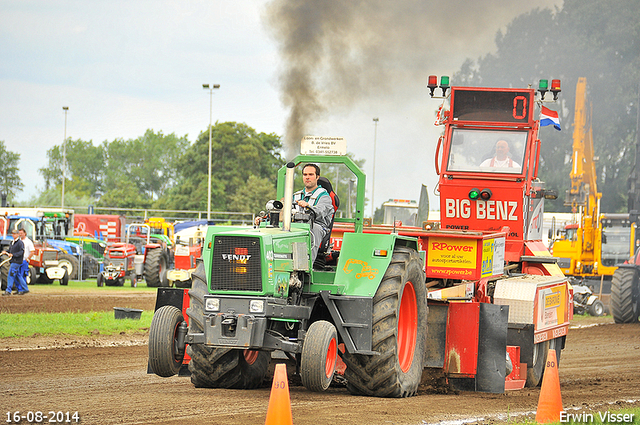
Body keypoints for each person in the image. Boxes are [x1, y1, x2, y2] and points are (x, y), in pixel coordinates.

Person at [255, 163, 335, 262]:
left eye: (311, 174)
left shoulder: (324, 196)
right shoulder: (295, 196)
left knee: (314, 229)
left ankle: (306, 264)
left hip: (315, 226)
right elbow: (282, 211)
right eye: (305, 175)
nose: (307, 177)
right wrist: (265, 219)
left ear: (317, 177)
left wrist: (308, 206)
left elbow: (321, 211)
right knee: (274, 226)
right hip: (296, 225)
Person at [2, 229, 28, 295]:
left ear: (17, 234)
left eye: (15, 234)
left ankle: (8, 290)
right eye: (13, 234)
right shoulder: (12, 242)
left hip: (17, 261)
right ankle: (25, 288)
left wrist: (13, 255)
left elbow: (21, 252)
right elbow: (10, 250)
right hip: (13, 261)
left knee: (10, 275)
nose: (13, 235)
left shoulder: (20, 243)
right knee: (18, 275)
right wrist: (6, 252)